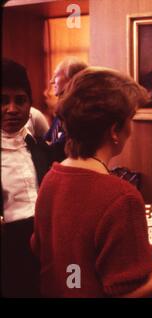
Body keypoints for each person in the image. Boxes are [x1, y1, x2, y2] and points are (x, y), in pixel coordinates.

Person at [30, 67, 152, 298]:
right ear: (115, 130)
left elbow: (53, 255)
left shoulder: (51, 179)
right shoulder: (121, 197)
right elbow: (132, 291)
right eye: (130, 119)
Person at [1, 58, 52, 297]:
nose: (12, 109)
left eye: (20, 100)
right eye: (3, 100)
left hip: (45, 241)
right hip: (8, 247)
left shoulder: (39, 146)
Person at [45, 57, 88, 162]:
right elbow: (47, 139)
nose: (51, 81)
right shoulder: (63, 109)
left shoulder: (81, 112)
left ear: (73, 79)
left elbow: (59, 151)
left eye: (56, 75)